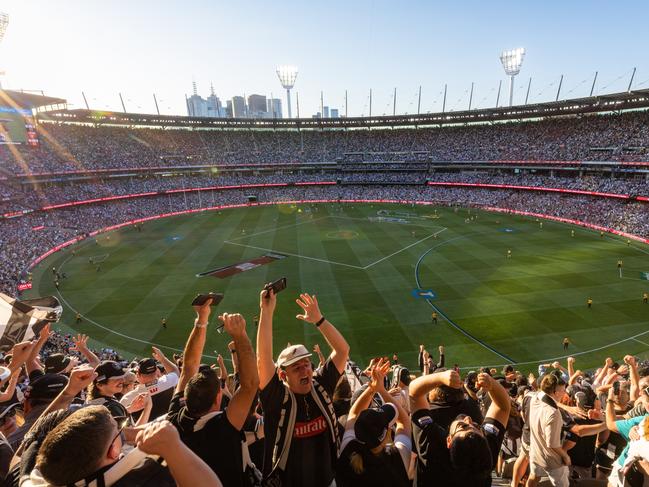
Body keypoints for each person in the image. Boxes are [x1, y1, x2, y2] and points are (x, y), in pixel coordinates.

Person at [256, 288, 350, 486]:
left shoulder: (320, 385)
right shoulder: (277, 398)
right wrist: (266, 311)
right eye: (296, 368)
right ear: (283, 375)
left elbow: (342, 350)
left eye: (306, 364)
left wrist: (319, 320)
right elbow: (263, 359)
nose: (304, 371)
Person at [167, 298, 260, 486]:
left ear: (186, 397)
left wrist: (201, 320)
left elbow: (189, 367)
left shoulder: (173, 419)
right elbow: (250, 384)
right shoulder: (223, 427)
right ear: (219, 397)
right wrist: (240, 335)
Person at [29, 406, 223, 487]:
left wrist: (118, 434)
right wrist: (174, 447)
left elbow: (32, 445)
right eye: (118, 429)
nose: (123, 429)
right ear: (113, 451)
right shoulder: (149, 477)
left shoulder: (36, 477)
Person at [409, 369, 511, 487]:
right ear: (484, 437)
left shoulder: (431, 448)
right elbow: (503, 407)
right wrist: (491, 384)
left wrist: (440, 377)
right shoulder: (484, 451)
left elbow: (414, 393)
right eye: (476, 426)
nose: (468, 419)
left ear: (449, 441)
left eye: (462, 426)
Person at [336, 358, 411, 487]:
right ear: (386, 433)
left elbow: (353, 414)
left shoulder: (347, 452)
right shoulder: (397, 458)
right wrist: (380, 389)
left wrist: (372, 389)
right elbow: (404, 422)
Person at [527, 373, 571, 487]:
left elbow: (541, 393)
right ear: (555, 393)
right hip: (551, 459)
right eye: (563, 390)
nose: (565, 392)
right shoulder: (553, 413)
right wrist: (565, 456)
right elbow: (552, 444)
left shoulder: (535, 398)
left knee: (534, 477)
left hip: (536, 452)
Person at [120, 347, 179, 421]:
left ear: (138, 375)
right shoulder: (169, 381)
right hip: (170, 426)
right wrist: (163, 359)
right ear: (157, 371)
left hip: (146, 431)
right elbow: (175, 371)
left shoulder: (128, 398)